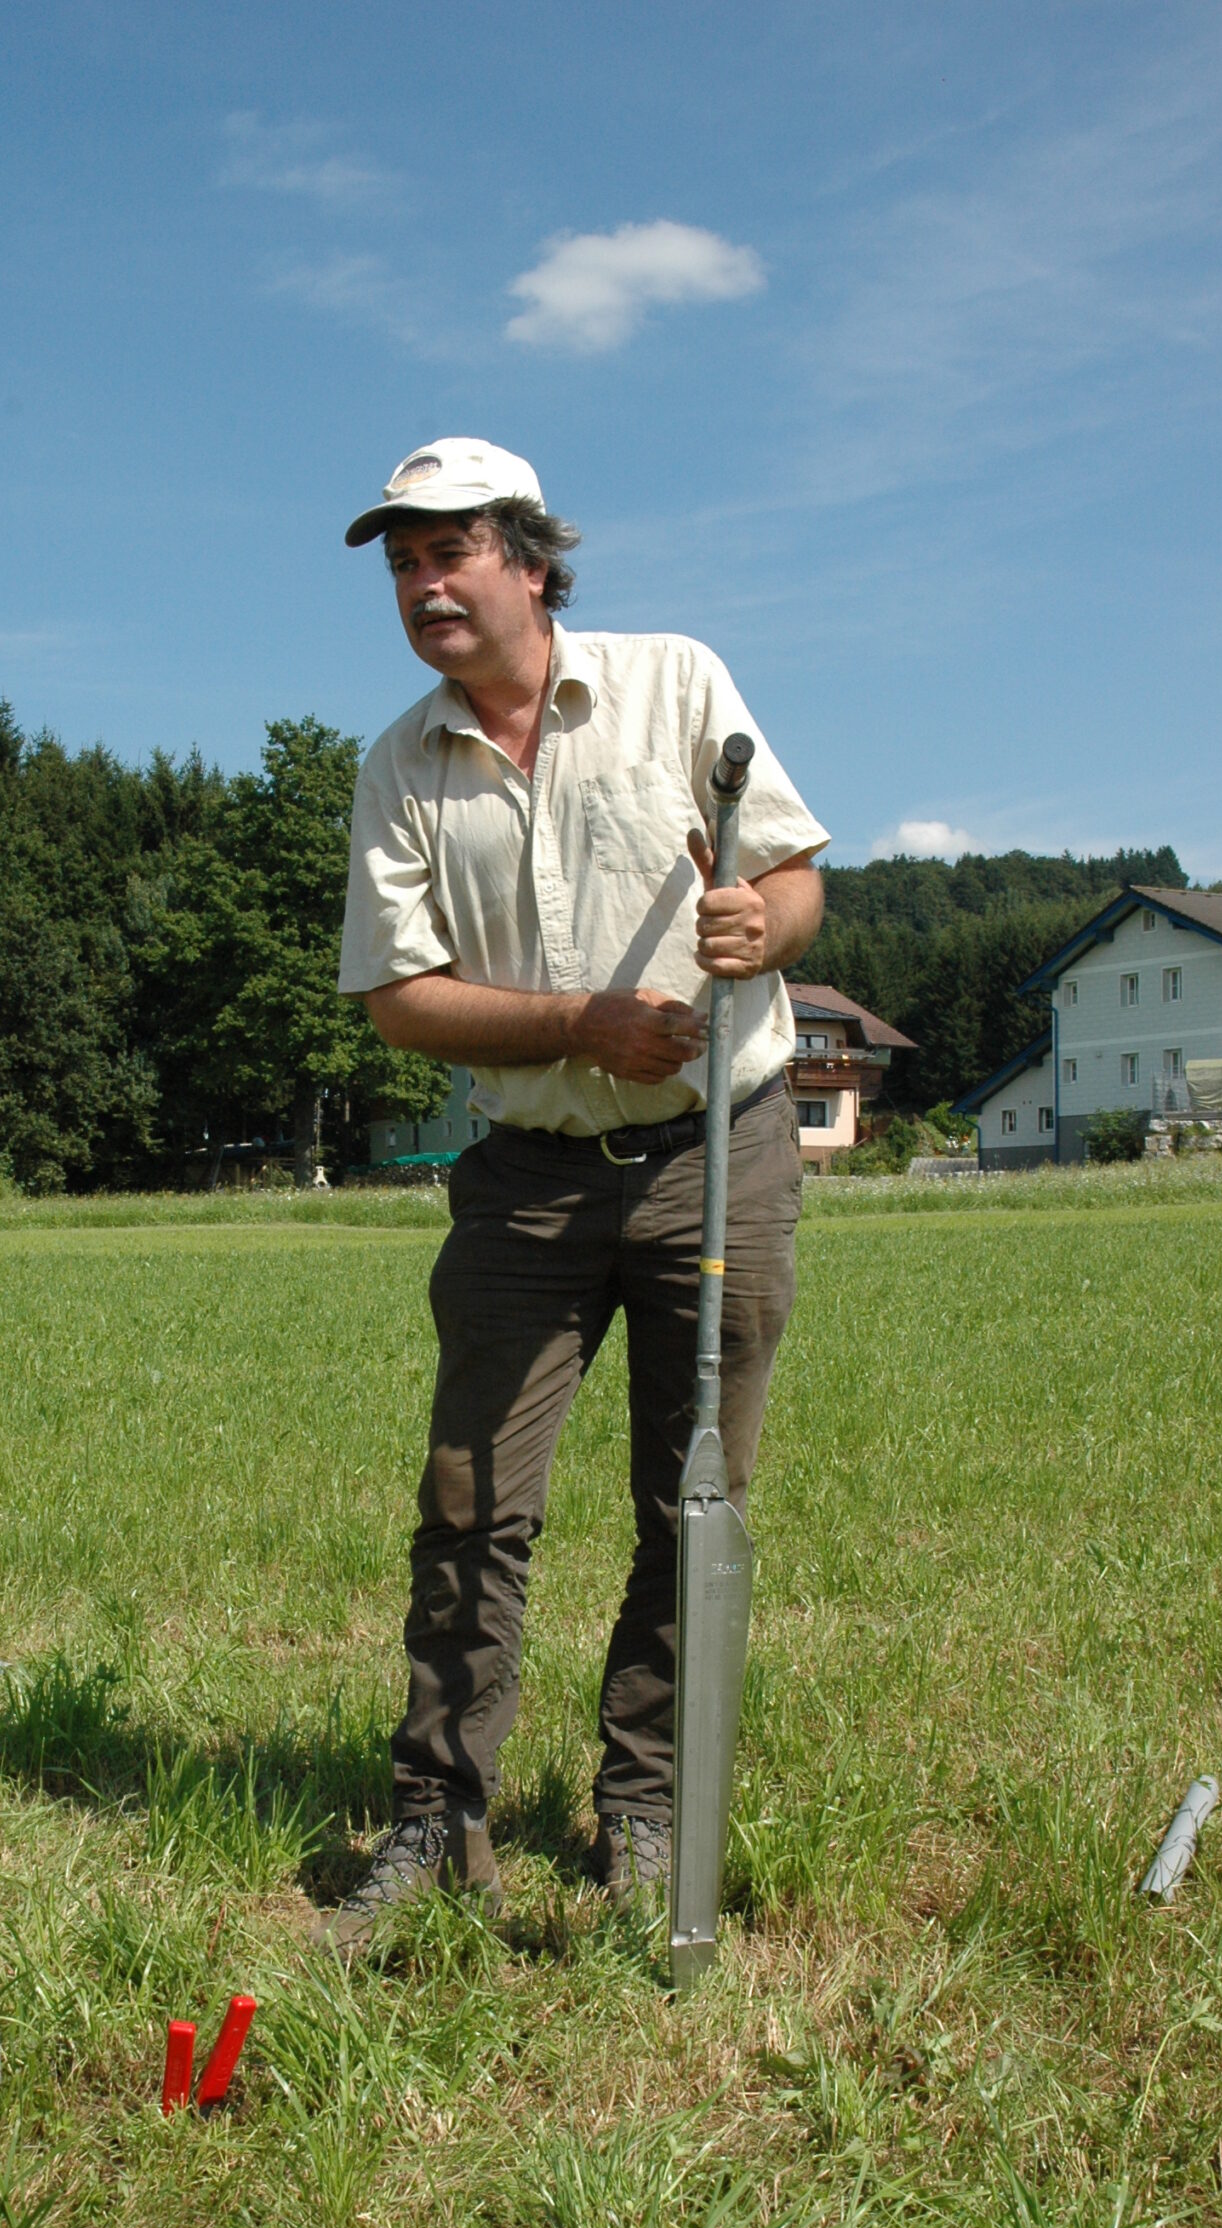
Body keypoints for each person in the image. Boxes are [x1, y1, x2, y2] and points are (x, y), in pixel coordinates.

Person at [320, 438, 826, 1949]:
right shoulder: (399, 763)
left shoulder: (674, 682)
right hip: (524, 1185)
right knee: (470, 1500)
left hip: (712, 1155)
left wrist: (761, 925)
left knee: (695, 1496)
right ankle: (437, 1821)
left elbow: (796, 872)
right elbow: (400, 1000)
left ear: (531, 562)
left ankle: (647, 1805)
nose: (422, 584)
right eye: (401, 562)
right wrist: (574, 1023)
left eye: (448, 550)